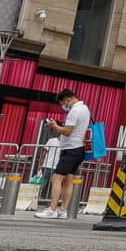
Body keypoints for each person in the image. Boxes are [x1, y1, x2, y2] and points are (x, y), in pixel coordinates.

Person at [34, 88, 91, 219]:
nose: (64, 107)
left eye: (63, 104)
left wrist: (54, 126)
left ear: (68, 100)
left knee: (56, 178)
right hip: (79, 148)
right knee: (69, 180)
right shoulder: (85, 109)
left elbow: (67, 131)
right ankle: (63, 210)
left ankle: (52, 209)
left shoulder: (74, 111)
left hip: (71, 149)